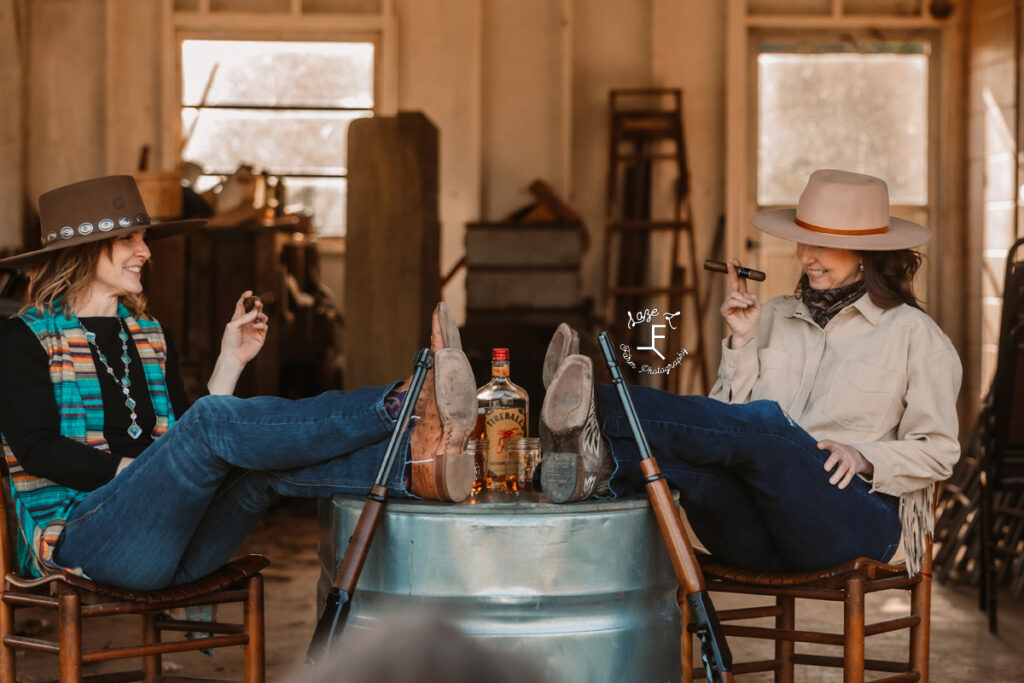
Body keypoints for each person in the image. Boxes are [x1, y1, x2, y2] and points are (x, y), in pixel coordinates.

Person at [0, 175, 479, 590]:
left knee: (260, 468)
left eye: (143, 239)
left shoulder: (148, 334)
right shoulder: (23, 337)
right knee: (211, 427)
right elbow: (37, 448)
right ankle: (400, 405)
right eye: (129, 241)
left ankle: (417, 466)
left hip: (174, 544)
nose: (145, 252)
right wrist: (138, 472)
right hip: (87, 544)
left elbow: (187, 442)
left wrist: (231, 361)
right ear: (82, 252)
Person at [539, 169, 961, 576]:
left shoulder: (915, 335)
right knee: (692, 468)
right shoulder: (772, 315)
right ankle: (593, 463)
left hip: (851, 528)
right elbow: (722, 431)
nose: (804, 257)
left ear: (868, 252)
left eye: (820, 245)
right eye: (801, 242)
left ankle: (593, 403)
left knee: (772, 426)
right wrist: (741, 343)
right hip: (759, 533)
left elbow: (940, 452)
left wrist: (864, 457)